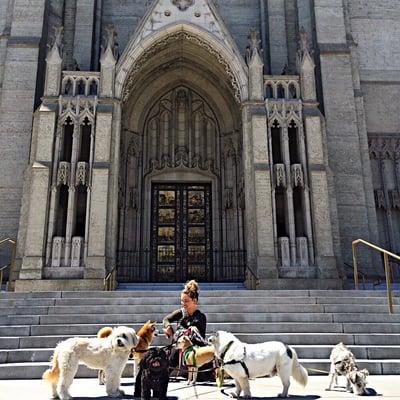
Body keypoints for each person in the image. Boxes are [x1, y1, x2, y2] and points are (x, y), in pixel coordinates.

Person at [162, 280, 213, 381]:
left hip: (194, 349)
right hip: (179, 346)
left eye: (186, 301)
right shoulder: (180, 313)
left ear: (195, 301)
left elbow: (198, 336)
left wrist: (190, 330)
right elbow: (166, 319)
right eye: (182, 301)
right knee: (174, 351)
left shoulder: (200, 316)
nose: (183, 304)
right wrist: (168, 326)